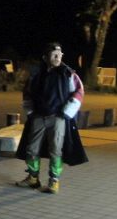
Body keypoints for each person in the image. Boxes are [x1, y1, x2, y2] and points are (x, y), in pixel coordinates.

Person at [15, 42, 87, 194]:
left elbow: (79, 92)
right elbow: (27, 93)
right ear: (45, 57)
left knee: (56, 150)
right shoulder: (36, 74)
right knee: (32, 149)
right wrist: (31, 112)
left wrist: (66, 112)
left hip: (58, 117)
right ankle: (33, 178)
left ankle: (54, 181)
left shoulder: (68, 74)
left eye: (59, 54)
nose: (57, 57)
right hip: (38, 117)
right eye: (54, 55)